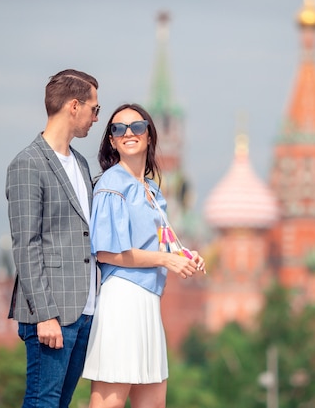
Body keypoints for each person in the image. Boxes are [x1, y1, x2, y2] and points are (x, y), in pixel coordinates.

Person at [81, 103, 206, 408]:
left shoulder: (151, 189)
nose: (128, 133)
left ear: (149, 136)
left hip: (149, 301)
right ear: (111, 140)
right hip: (123, 298)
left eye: (136, 127)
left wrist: (185, 254)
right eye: (118, 129)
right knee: (109, 400)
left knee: (152, 401)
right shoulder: (112, 185)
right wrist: (166, 260)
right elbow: (108, 253)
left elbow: (161, 241)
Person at [5, 69, 101, 408]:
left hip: (84, 309)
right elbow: (26, 245)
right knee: (42, 402)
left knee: (61, 403)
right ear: (74, 106)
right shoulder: (27, 164)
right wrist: (45, 315)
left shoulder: (82, 164)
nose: (95, 118)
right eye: (94, 108)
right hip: (52, 313)